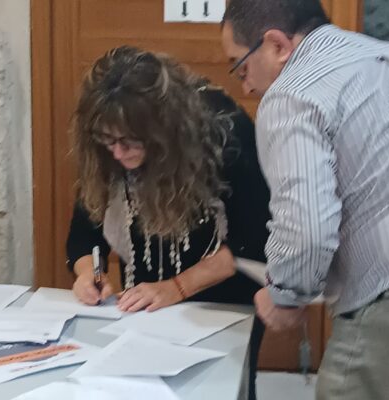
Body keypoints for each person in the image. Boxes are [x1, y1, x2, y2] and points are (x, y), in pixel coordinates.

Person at [220, 1, 389, 399]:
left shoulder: (293, 92)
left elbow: (307, 229)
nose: (246, 88)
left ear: (276, 45)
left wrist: (285, 294)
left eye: (241, 67)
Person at [65, 46, 271, 400]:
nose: (118, 153)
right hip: (146, 305)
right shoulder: (105, 149)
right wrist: (88, 274)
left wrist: (177, 287)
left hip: (223, 302)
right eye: (107, 140)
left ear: (162, 129)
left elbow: (252, 242)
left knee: (219, 389)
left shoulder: (224, 132)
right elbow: (84, 235)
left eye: (129, 141)